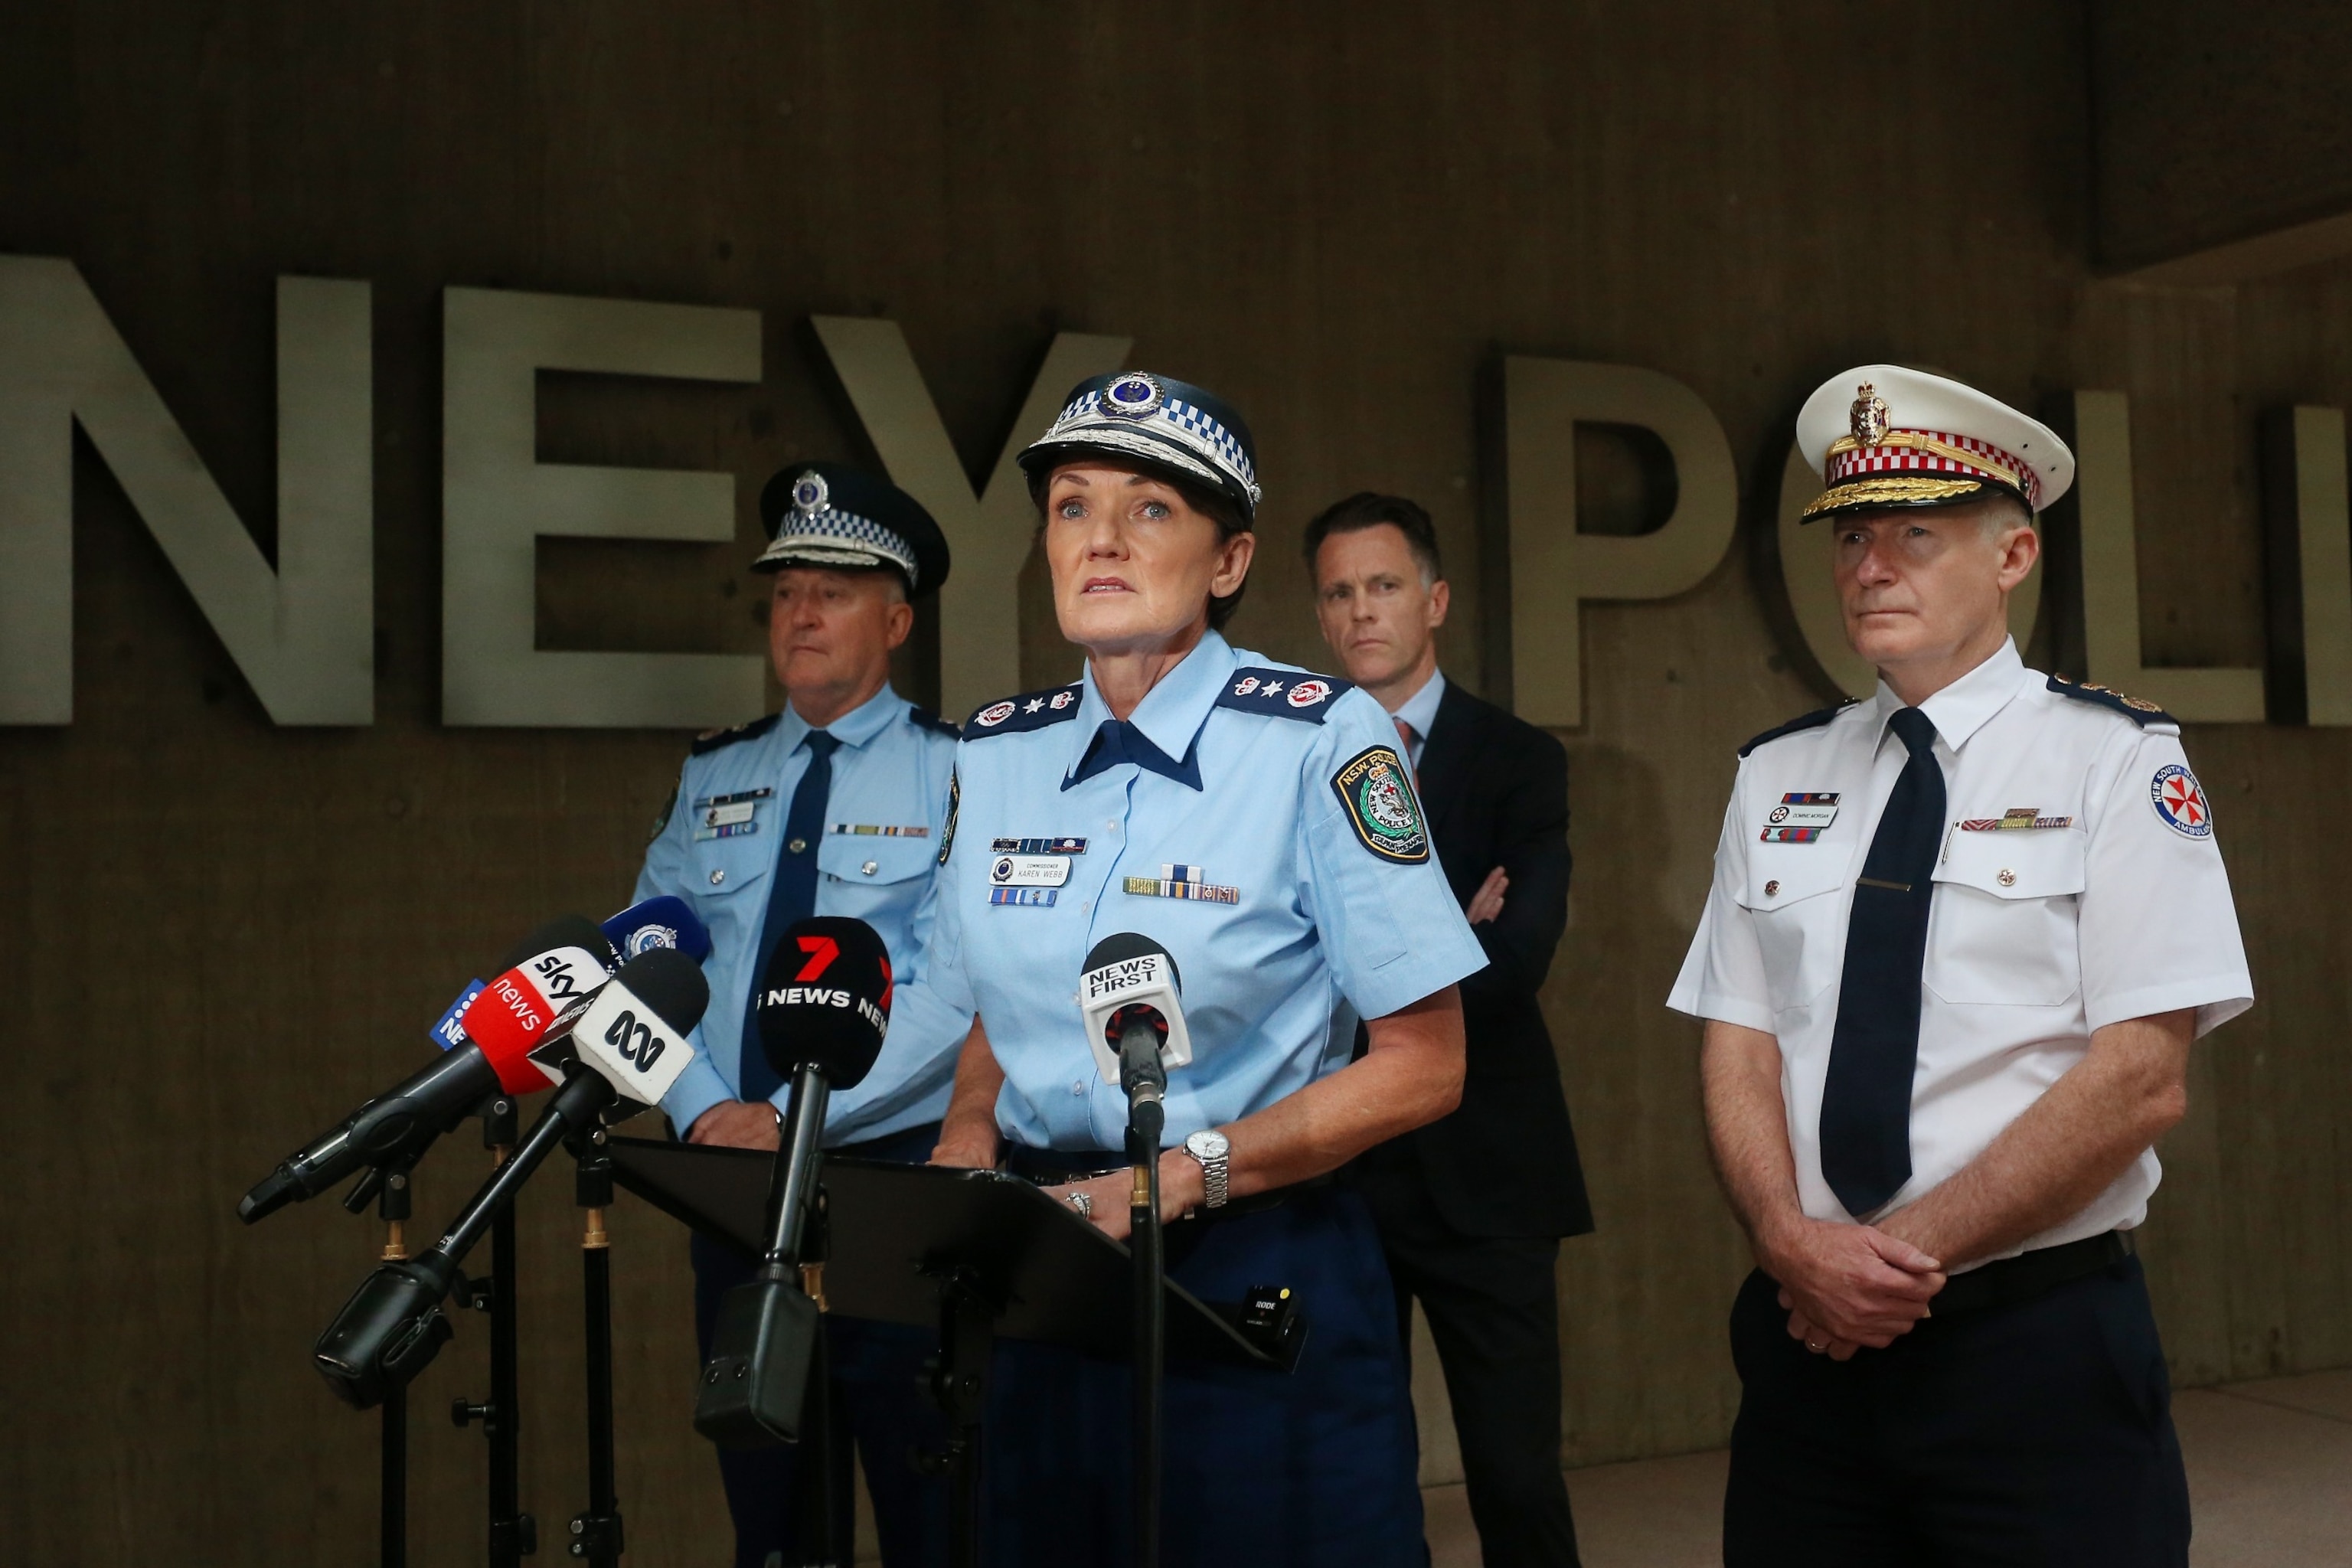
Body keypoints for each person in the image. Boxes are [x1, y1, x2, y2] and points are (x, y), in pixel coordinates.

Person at [1668, 365, 2254, 1567]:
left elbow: (2142, 1076)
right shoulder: (1777, 774)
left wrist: (1891, 1266)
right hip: (1805, 1345)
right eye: (1852, 538)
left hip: (2028, 1344)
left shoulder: (2117, 763)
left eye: (1916, 536)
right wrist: (1789, 1241)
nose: (1871, 566)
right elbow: (1738, 1034)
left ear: (2013, 557)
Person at [920, 371, 1489, 1566]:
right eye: (1073, 508)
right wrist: (968, 1130)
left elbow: (1427, 1067)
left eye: (1151, 511)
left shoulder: (1324, 740)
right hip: (1042, 1251)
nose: (1104, 540)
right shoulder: (994, 752)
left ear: (1227, 562)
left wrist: (1182, 1177)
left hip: (1249, 1248)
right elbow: (996, 1004)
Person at [635, 461, 973, 1568]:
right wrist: (701, 1113)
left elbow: (954, 988)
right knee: (771, 1518)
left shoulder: (955, 774)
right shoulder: (713, 775)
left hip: (885, 1195)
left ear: (898, 616)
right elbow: (647, 955)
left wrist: (792, 1118)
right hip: (732, 1193)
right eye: (786, 591)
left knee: (932, 1508)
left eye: (833, 587)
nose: (804, 611)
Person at [1306, 492, 1592, 1568]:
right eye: (1338, 592)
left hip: (1492, 1174)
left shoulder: (1519, 760)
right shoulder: (1286, 759)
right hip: (1338, 1168)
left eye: (1382, 586)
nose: (1360, 612)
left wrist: (1361, 959)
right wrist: (1444, 924)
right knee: (1352, 1476)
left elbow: (1517, 964)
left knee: (1515, 1480)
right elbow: (1273, 966)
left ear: (1434, 601)